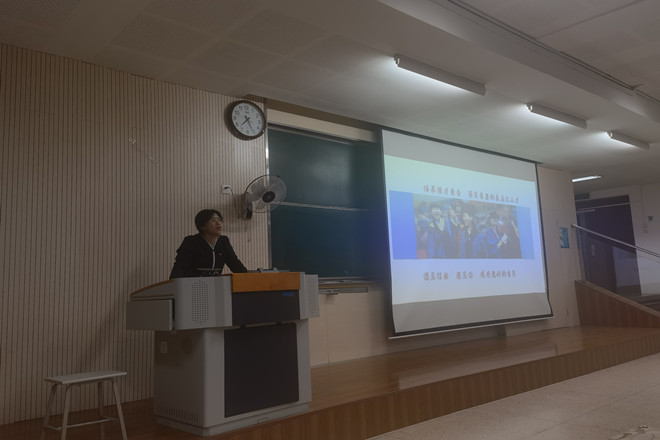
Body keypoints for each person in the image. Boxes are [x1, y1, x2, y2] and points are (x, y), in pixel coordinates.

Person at [169, 209, 248, 278]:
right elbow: (180, 267)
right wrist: (175, 285)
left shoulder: (224, 241)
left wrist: (248, 277)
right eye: (213, 220)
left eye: (219, 220)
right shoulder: (191, 241)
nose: (218, 223)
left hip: (215, 285)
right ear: (202, 226)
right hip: (192, 285)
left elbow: (235, 264)